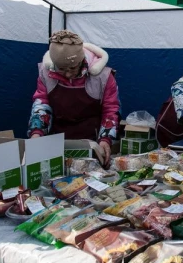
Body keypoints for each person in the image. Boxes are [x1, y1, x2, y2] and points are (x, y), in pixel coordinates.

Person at [27, 30, 120, 167]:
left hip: (91, 140)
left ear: (81, 60)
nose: (68, 74)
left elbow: (111, 109)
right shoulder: (46, 73)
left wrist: (106, 139)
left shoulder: (103, 76)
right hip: (57, 138)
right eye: (62, 69)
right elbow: (42, 104)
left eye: (73, 67)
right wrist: (36, 132)